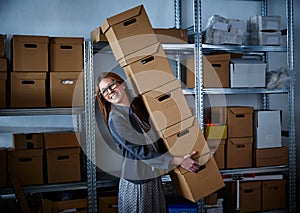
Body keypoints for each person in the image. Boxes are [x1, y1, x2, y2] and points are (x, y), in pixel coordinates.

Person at [96, 72, 201, 213]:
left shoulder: (139, 105)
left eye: (111, 85)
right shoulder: (116, 119)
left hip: (152, 177)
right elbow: (140, 152)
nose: (109, 91)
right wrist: (179, 161)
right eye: (104, 91)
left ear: (123, 85)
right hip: (137, 182)